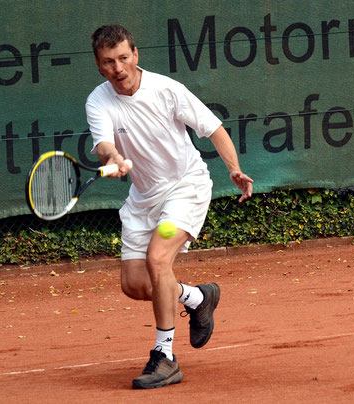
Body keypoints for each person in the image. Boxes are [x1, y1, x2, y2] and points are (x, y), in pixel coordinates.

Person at [86, 24, 253, 389]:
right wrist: (115, 156)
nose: (118, 68)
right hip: (144, 199)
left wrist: (234, 169)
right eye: (108, 61)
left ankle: (165, 356)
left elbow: (214, 129)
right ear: (99, 64)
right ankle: (197, 297)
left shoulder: (166, 90)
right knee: (134, 284)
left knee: (158, 260)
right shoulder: (98, 100)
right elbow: (103, 144)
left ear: (136, 55)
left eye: (123, 58)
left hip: (186, 187)